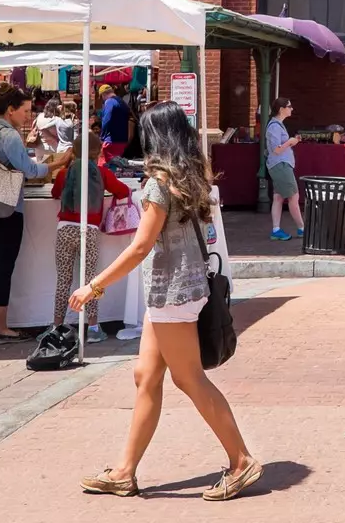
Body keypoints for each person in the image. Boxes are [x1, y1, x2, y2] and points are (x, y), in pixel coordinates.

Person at [73, 101, 260, 501]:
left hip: (171, 292)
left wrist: (95, 285)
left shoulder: (159, 182)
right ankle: (125, 471)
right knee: (147, 375)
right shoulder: (190, 176)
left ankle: (241, 461)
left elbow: (141, 246)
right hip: (180, 290)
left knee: (188, 377)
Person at [0, 83, 65, 346]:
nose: (29, 116)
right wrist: (56, 164)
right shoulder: (10, 137)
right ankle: (0, 327)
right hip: (7, 208)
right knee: (3, 268)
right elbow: (29, 170)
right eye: (26, 110)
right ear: (11, 110)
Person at [53, 115, 126, 341]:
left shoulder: (66, 173)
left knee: (63, 279)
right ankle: (93, 328)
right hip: (90, 230)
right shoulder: (103, 173)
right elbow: (123, 192)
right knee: (92, 280)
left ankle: (57, 326)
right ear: (98, 152)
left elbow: (55, 193)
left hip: (65, 229)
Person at [264, 97, 302, 244]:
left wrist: (292, 142)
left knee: (278, 197)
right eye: (289, 106)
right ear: (281, 109)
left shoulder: (278, 125)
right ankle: (302, 228)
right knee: (293, 196)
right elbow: (276, 149)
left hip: (280, 165)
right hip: (280, 165)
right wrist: (290, 142)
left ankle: (276, 230)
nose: (291, 109)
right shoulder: (274, 126)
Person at [98, 84, 130, 164]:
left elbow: (107, 119)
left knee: (104, 164)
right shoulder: (122, 102)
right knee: (116, 165)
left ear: (103, 94)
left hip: (111, 140)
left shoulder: (109, 102)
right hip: (122, 140)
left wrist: (102, 137)